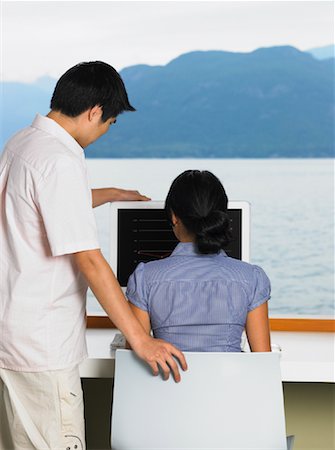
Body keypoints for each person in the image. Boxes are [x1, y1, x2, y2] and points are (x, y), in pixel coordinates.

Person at [0, 61, 187, 450]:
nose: (104, 132)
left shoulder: (23, 142)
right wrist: (141, 339)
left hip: (13, 334)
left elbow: (39, 206)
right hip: (43, 346)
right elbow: (89, 259)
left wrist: (109, 194)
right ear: (95, 111)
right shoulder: (61, 159)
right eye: (109, 124)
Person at [126, 170, 271, 353]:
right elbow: (262, 360)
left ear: (174, 217)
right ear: (221, 216)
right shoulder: (252, 278)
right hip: (230, 382)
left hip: (166, 381)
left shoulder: (144, 278)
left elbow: (133, 355)